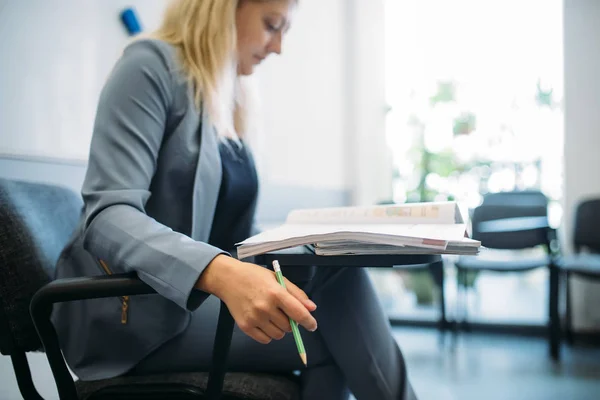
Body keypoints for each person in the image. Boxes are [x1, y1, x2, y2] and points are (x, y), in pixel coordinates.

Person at [51, 0, 417, 399]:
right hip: (133, 316)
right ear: (223, 9)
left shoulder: (228, 96)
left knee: (332, 283)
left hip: (189, 305)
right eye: (271, 25)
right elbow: (108, 215)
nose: (277, 47)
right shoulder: (148, 67)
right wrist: (222, 272)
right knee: (335, 330)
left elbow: (229, 231)